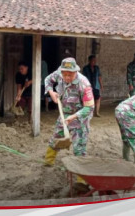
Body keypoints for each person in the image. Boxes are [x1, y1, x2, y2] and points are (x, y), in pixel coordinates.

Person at [44, 58, 94, 192]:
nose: (66, 77)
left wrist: (73, 117)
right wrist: (51, 92)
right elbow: (47, 80)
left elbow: (89, 108)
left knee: (79, 148)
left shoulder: (84, 84)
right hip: (64, 114)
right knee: (56, 138)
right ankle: (48, 162)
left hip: (79, 118)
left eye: (70, 74)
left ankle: (81, 180)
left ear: (75, 72)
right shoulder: (59, 74)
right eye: (64, 74)